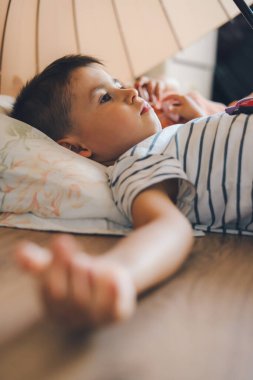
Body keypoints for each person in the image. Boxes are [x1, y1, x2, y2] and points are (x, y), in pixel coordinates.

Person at [11, 55, 253, 330]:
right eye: (105, 97)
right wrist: (120, 272)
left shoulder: (171, 136)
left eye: (118, 83)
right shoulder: (136, 161)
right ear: (76, 149)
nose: (130, 92)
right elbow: (167, 227)